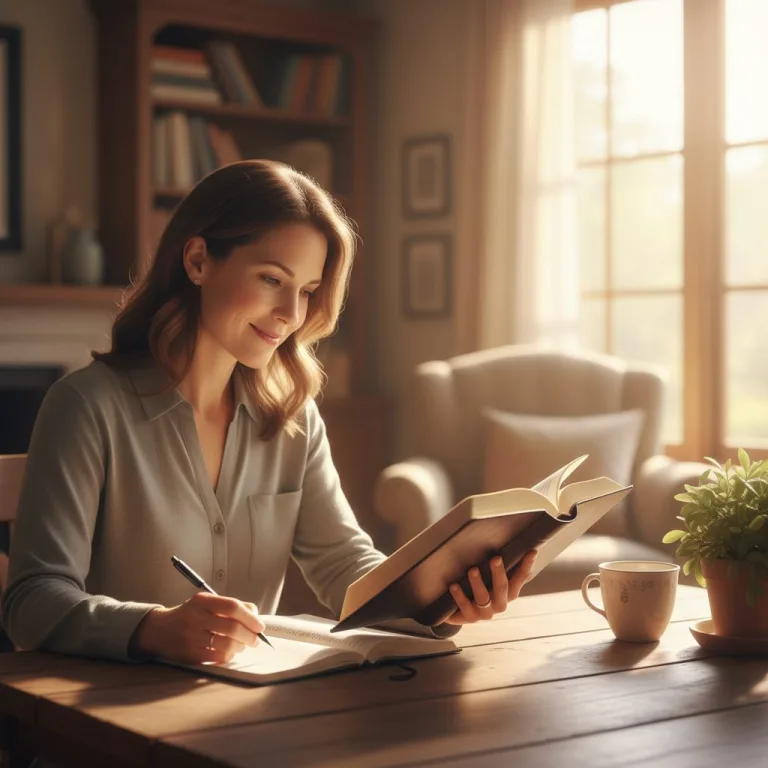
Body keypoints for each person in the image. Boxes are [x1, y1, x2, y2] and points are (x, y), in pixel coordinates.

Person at [1, 160, 536, 666]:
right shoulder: (86, 407)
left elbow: (346, 566)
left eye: (306, 290)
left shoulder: (292, 417)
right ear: (197, 260)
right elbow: (31, 602)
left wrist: (441, 600)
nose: (292, 315)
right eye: (272, 280)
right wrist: (152, 628)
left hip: (248, 724)